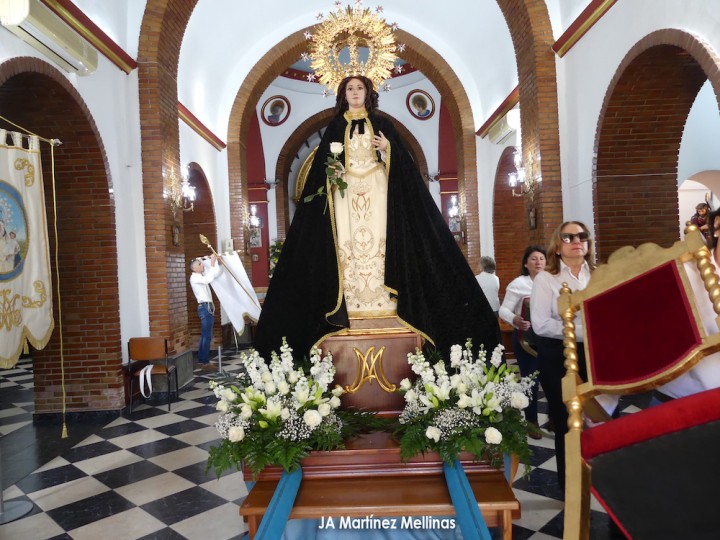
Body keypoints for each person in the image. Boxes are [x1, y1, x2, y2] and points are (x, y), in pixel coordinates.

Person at [254, 75, 500, 360]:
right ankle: (350, 299)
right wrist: (332, 171)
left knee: (381, 236)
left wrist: (388, 150)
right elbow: (322, 168)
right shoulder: (335, 127)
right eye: (350, 88)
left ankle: (385, 297)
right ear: (343, 94)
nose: (355, 92)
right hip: (345, 192)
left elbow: (403, 167)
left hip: (377, 188)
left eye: (360, 88)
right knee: (347, 240)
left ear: (368, 93)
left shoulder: (383, 124)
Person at [530, 221, 595, 490]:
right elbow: (541, 324)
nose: (576, 241)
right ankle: (570, 486)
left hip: (592, 354)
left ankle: (597, 477)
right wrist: (584, 330)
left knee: (598, 415)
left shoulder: (597, 275)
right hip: (556, 355)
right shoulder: (547, 278)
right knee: (566, 417)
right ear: (557, 246)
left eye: (581, 236)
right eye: (568, 237)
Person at [499, 246, 547, 439]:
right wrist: (514, 319)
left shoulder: (552, 282)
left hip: (549, 339)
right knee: (530, 381)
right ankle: (531, 421)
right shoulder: (519, 284)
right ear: (526, 264)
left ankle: (556, 418)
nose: (538, 262)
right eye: (533, 259)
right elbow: (503, 310)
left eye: (542, 258)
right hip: (526, 339)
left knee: (554, 380)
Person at [189, 254, 222, 370]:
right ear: (194, 268)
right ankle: (204, 362)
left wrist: (216, 262)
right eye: (200, 264)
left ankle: (202, 360)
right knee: (207, 336)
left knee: (206, 335)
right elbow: (209, 279)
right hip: (205, 307)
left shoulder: (200, 276)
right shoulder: (194, 277)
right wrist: (212, 262)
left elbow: (214, 274)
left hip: (207, 307)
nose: (202, 265)